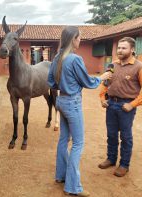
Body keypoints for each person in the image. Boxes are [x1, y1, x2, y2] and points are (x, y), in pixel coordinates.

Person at [47, 26, 111, 196]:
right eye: (79, 37)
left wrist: (65, 84)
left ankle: (61, 176)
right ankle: (73, 187)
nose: (80, 40)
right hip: (72, 103)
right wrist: (101, 78)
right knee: (77, 143)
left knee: (63, 140)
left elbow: (51, 82)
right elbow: (87, 82)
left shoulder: (57, 58)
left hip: (61, 100)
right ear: (73, 39)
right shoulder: (74, 59)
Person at [98, 37, 142, 177]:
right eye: (118, 48)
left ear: (132, 50)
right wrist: (102, 98)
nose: (120, 51)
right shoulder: (112, 65)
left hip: (126, 107)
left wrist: (132, 104)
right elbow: (106, 83)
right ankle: (111, 159)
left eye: (124, 48)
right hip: (111, 104)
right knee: (111, 135)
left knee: (126, 137)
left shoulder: (140, 67)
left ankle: (124, 165)